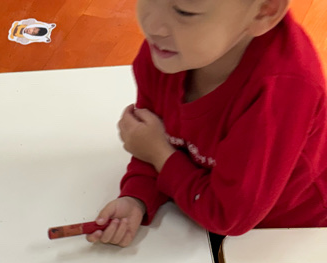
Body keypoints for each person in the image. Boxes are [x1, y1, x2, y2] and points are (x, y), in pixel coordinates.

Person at [88, 0, 327, 247]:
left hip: (283, 233)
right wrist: (137, 196)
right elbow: (153, 136)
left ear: (264, 11)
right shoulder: (170, 50)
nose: (152, 26)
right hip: (199, 207)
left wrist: (159, 154)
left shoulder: (282, 91)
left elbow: (227, 214)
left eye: (184, 12)